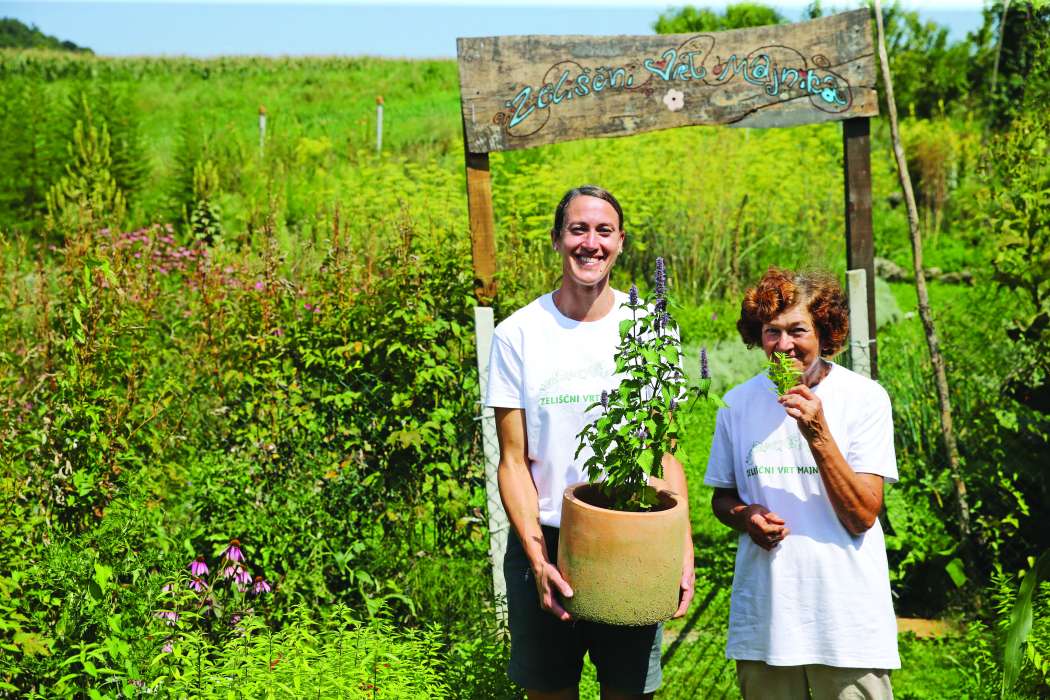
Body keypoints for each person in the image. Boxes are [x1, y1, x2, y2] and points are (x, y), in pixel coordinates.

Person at [486, 185, 695, 699]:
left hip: (635, 540)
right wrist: (538, 561)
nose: (591, 243)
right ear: (558, 239)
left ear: (621, 242)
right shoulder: (518, 335)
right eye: (578, 229)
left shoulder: (651, 330)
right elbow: (513, 463)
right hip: (550, 542)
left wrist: (681, 544)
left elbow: (663, 452)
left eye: (604, 231)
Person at [704, 267, 899, 700]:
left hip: (846, 623)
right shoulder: (737, 404)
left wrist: (818, 433)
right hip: (768, 619)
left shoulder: (864, 399)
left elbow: (863, 514)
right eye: (772, 332)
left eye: (798, 330)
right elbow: (722, 499)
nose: (784, 345)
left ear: (825, 332)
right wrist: (746, 516)